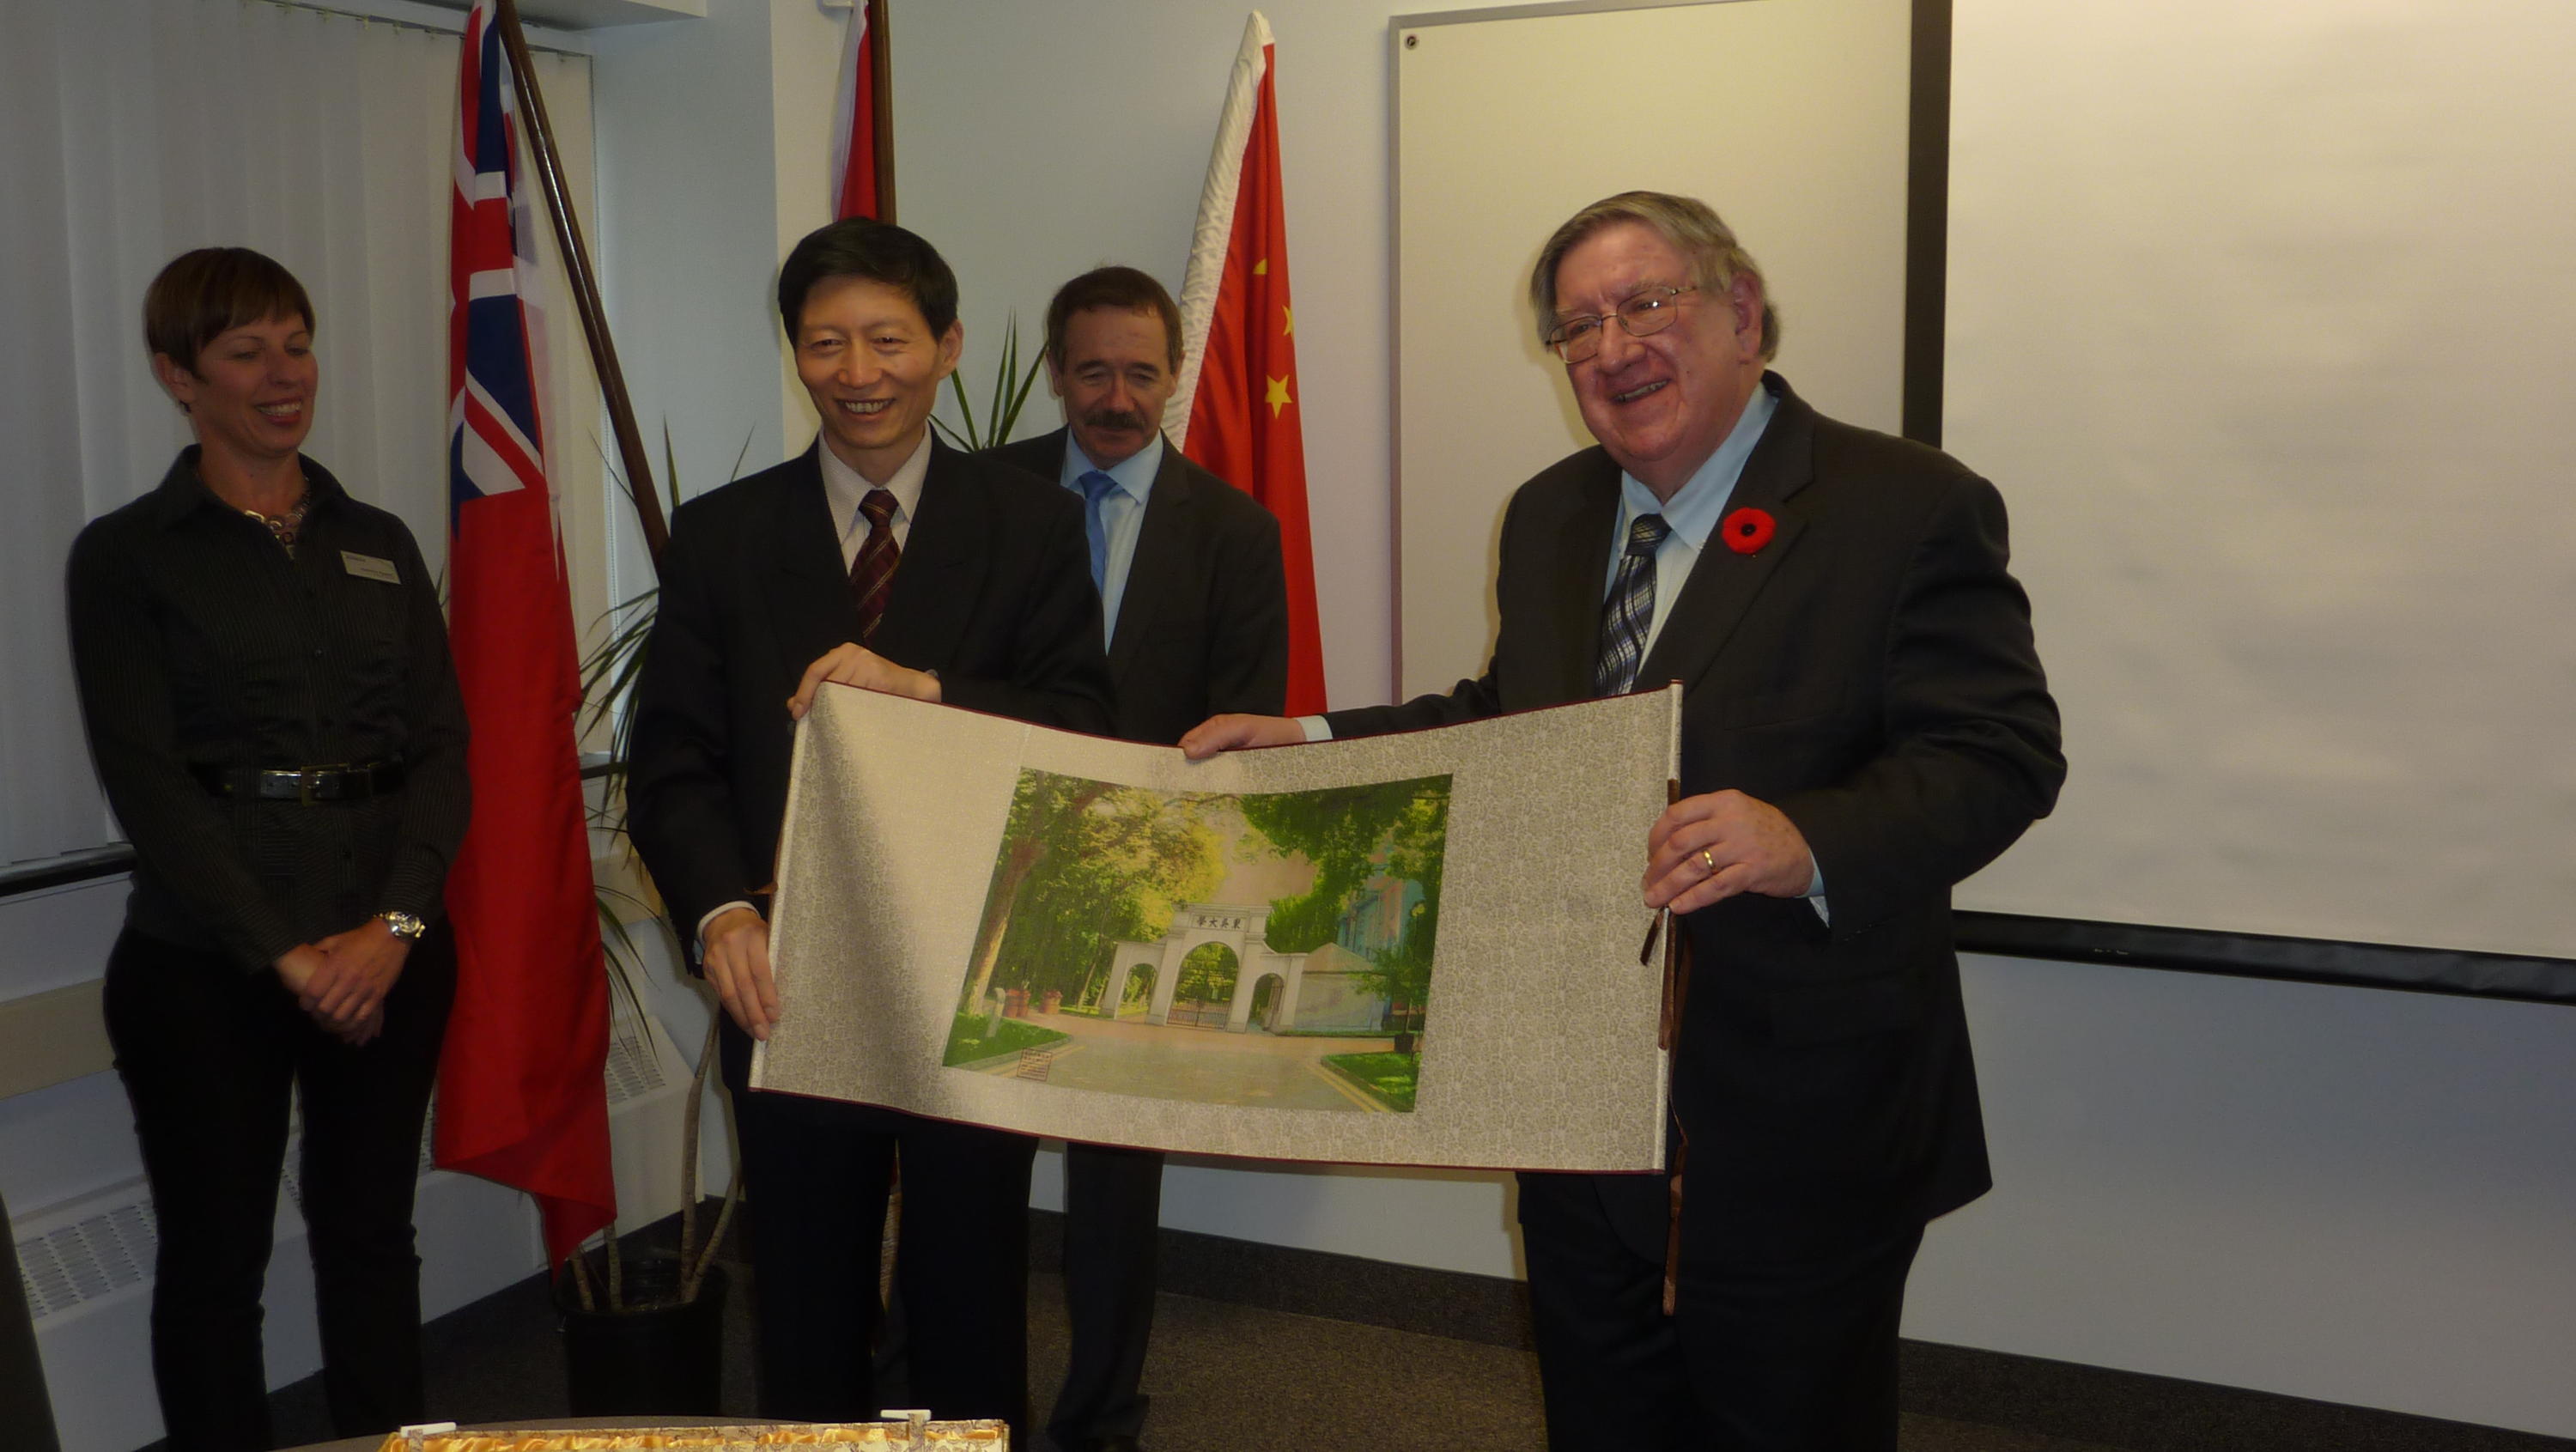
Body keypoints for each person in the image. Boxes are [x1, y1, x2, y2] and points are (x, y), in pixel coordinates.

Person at [1184, 191, 2064, 1450]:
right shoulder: (1550, 515)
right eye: (1577, 327)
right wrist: (1315, 742)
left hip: (1796, 1113)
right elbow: (1513, 719)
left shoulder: (1904, 504)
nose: (1612, 348)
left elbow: (2000, 753)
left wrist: (1807, 838)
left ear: (1744, 310)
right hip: (1580, 1101)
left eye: (1647, 304)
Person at [626, 217, 1112, 1442]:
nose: (859, 373)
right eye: (826, 342)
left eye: (889, 339)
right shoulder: (724, 533)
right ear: (795, 354)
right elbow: (674, 757)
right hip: (783, 972)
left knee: (968, 1294)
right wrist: (720, 907)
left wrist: (931, 694)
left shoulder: (1033, 523)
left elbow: (1082, 723)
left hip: (973, 969)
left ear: (946, 347)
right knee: (803, 1296)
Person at [66, 246, 470, 1452]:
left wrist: (393, 931)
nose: (283, 375)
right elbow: (147, 782)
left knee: (370, 1238)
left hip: (389, 948)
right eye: (246, 352)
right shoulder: (130, 556)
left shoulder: (378, 539)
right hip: (208, 966)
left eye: (297, 344)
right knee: (214, 1261)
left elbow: (444, 750)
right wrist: (290, 958)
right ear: (177, 376)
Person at [987, 266, 1290, 1452]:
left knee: (1118, 1181)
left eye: (1142, 372)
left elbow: (1244, 719)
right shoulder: (984, 496)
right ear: (1059, 371)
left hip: (1148, 882)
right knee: (972, 1158)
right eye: (1093, 370)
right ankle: (947, 1389)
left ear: (1175, 375)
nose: (1116, 397)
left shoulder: (1235, 531)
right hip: (996, 869)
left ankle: (1103, 1409)